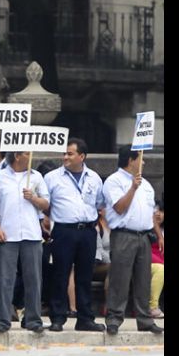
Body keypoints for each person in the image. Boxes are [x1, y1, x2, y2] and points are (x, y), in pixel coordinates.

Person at [44, 138, 106, 332]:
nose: (65, 157)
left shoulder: (94, 177)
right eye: (65, 153)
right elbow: (45, 204)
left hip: (87, 230)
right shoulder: (53, 177)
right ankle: (58, 317)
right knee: (60, 274)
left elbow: (99, 203)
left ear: (82, 156)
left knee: (85, 275)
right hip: (63, 230)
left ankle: (85, 318)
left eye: (70, 154)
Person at [102, 146, 163, 335]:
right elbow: (119, 208)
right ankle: (114, 318)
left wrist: (159, 235)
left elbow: (151, 212)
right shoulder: (114, 181)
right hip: (123, 234)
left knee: (143, 279)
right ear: (131, 160)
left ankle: (144, 319)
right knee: (120, 278)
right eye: (140, 158)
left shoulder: (146, 184)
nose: (143, 162)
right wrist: (132, 188)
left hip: (143, 236)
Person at [0, 151, 49, 333]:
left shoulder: (37, 177)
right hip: (7, 233)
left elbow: (46, 203)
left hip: (31, 233)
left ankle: (33, 319)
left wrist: (33, 198)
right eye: (27, 153)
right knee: (4, 278)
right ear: (17, 155)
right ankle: (3, 319)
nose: (31, 155)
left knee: (33, 278)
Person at [149, 197, 164, 318]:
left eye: (161, 211)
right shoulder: (144, 230)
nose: (158, 214)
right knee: (160, 269)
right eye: (155, 211)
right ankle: (152, 306)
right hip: (148, 264)